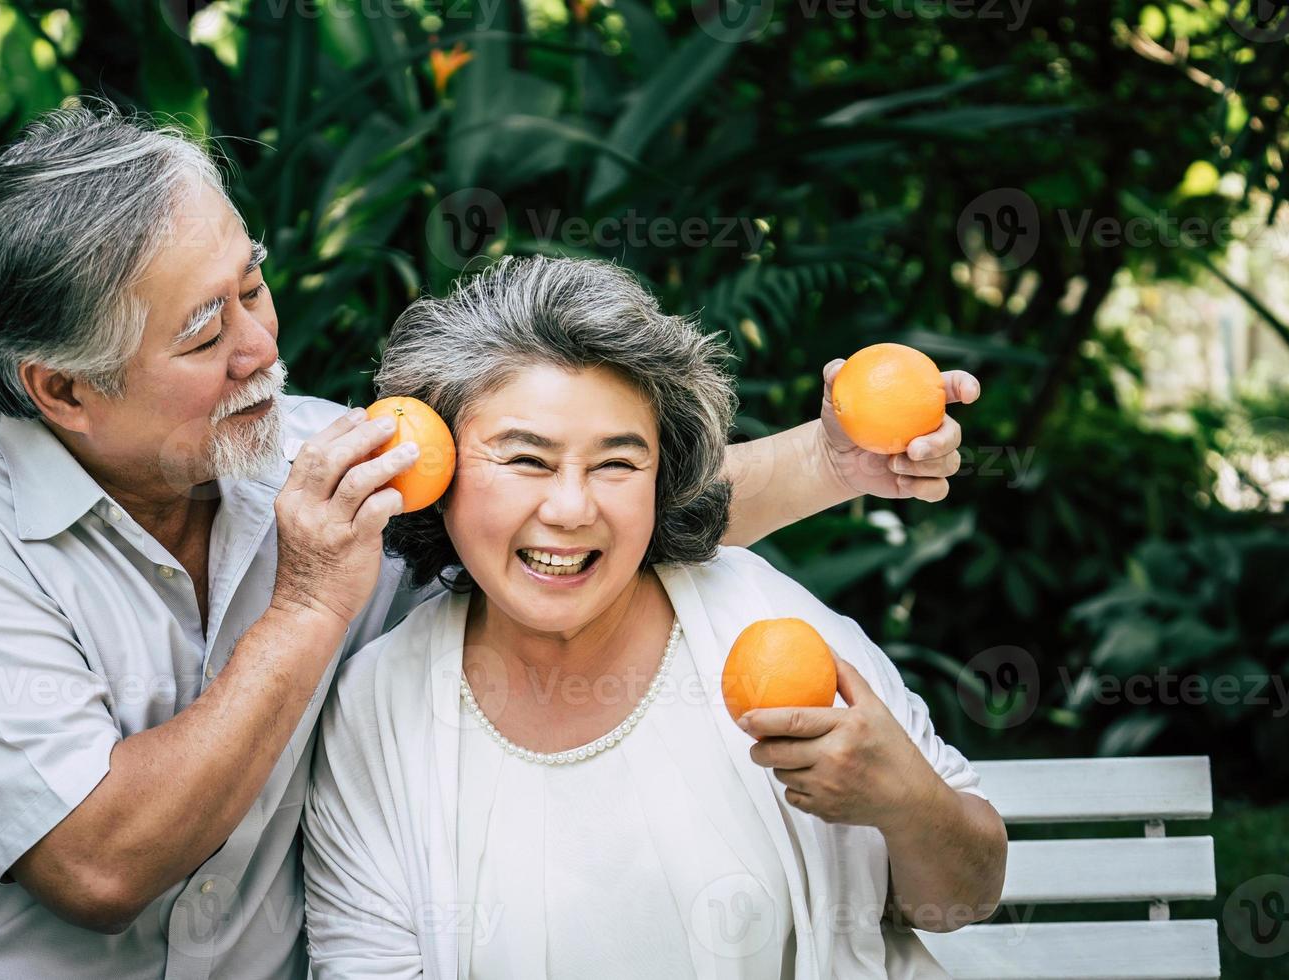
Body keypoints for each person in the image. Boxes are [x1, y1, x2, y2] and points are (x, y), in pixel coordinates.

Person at [0, 103, 979, 979]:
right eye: (206, 329)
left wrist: (831, 459)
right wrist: (311, 604)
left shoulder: (301, 447)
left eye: (253, 287)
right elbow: (101, 866)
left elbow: (566, 496)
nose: (259, 345)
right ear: (62, 389)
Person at [302, 257, 1006, 979]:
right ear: (437, 474)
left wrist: (906, 801)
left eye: (615, 465)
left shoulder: (763, 620)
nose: (572, 510)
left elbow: (968, 894)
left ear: (660, 477)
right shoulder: (376, 711)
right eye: (527, 461)